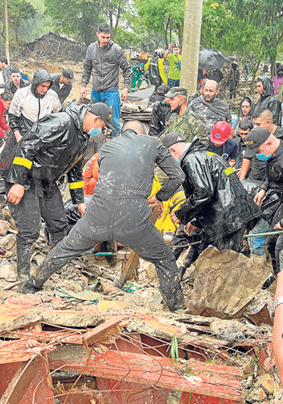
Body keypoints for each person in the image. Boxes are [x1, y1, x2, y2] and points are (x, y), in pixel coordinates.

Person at [19, 120, 186, 312]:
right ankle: (176, 308)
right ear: (141, 133)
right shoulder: (152, 143)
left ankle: (32, 285)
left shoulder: (107, 146)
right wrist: (160, 196)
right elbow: (178, 176)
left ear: (122, 133)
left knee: (64, 249)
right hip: (134, 219)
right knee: (165, 259)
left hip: (98, 214)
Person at [2, 102, 114, 292]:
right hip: (26, 178)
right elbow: (27, 146)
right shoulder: (61, 122)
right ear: (96, 119)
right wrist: (19, 182)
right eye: (102, 127)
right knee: (30, 229)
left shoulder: (83, 137)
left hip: (47, 181)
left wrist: (79, 201)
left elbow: (75, 170)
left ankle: (57, 266)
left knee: (58, 224)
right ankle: (23, 274)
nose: (99, 131)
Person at [162, 132, 261, 277]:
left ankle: (262, 282)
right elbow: (209, 193)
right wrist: (195, 220)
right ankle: (263, 281)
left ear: (172, 151)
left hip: (228, 214)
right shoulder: (205, 155)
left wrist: (182, 214)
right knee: (230, 253)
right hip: (231, 211)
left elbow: (203, 192)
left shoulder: (191, 159)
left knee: (227, 257)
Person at [80, 23, 131, 136]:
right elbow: (87, 68)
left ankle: (115, 145)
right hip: (95, 92)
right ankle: (94, 146)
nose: (106, 40)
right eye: (103, 37)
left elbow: (127, 69)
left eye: (108, 37)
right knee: (93, 120)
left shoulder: (117, 50)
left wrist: (125, 88)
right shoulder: (91, 49)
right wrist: (83, 86)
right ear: (97, 34)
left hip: (111, 92)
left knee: (114, 122)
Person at [246, 128, 283, 276]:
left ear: (268, 144)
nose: (257, 155)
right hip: (279, 199)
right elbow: (271, 177)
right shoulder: (272, 155)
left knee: (280, 246)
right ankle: (276, 275)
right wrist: (263, 189)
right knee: (272, 241)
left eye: (258, 150)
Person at [8, 69, 61, 143]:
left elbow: (59, 115)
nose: (45, 89)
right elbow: (13, 116)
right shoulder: (21, 94)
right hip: (24, 130)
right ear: (36, 83)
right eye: (43, 86)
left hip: (44, 131)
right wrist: (18, 135)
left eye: (48, 86)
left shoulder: (52, 95)